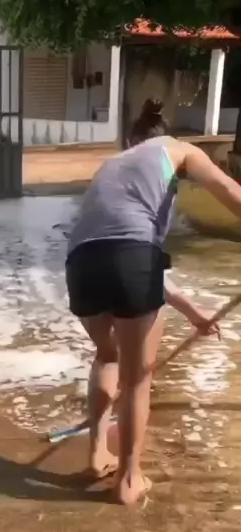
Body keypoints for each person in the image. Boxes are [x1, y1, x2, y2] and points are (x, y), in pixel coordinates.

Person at [66, 98, 241, 506]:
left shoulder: (112, 165)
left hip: (80, 262)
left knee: (107, 357)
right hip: (131, 259)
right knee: (136, 379)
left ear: (132, 140)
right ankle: (129, 479)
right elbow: (231, 191)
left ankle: (96, 455)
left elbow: (119, 245)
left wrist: (193, 312)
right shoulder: (179, 151)